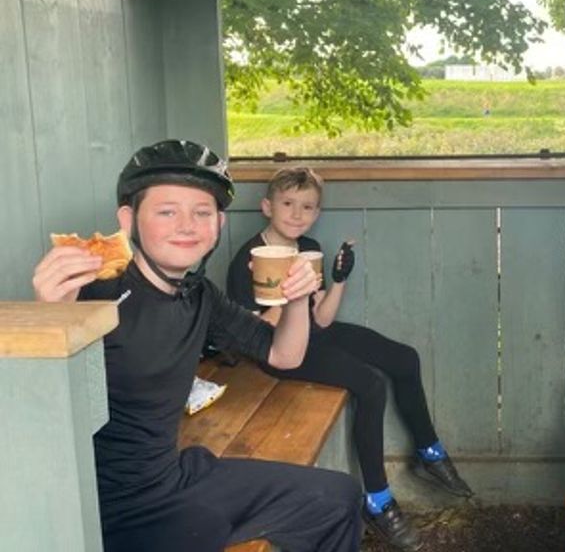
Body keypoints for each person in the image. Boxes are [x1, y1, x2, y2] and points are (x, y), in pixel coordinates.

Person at [31, 140, 362, 552]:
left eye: (202, 212)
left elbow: (284, 355)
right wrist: (51, 319)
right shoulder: (94, 292)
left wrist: (295, 299)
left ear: (218, 224)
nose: (187, 225)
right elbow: (42, 417)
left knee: (338, 499)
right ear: (128, 220)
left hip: (171, 478)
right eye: (167, 211)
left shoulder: (200, 295)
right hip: (109, 507)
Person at [227, 167, 474, 551]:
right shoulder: (248, 259)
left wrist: (339, 279)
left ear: (317, 212)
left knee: (404, 358)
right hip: (278, 350)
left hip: (313, 333)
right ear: (266, 207)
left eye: (307, 206)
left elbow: (322, 319)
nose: (297, 214)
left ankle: (430, 451)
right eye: (287, 204)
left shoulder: (308, 247)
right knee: (370, 384)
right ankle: (378, 500)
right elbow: (257, 334)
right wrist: (285, 292)